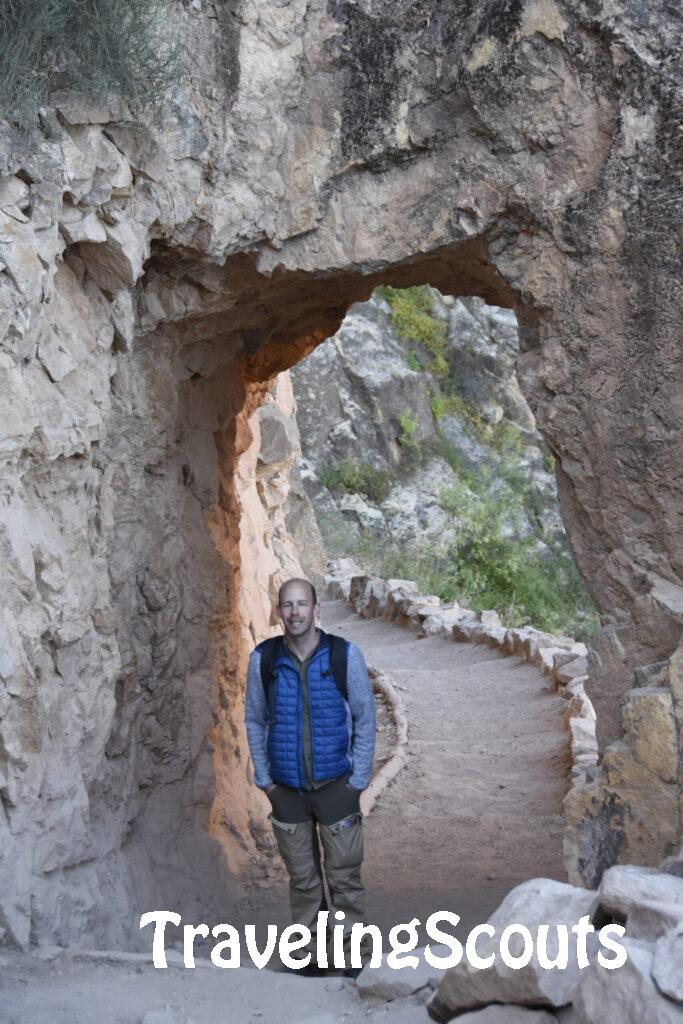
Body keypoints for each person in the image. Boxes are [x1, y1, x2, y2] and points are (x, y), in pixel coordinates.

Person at [244, 577, 376, 976]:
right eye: (288, 605)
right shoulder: (263, 659)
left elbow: (365, 718)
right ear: (278, 611)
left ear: (317, 610)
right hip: (286, 789)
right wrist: (266, 781)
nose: (295, 612)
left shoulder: (343, 656)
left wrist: (359, 779)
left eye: (303, 604)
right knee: (303, 879)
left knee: (344, 875)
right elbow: (254, 718)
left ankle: (354, 952)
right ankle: (311, 953)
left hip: (337, 784)